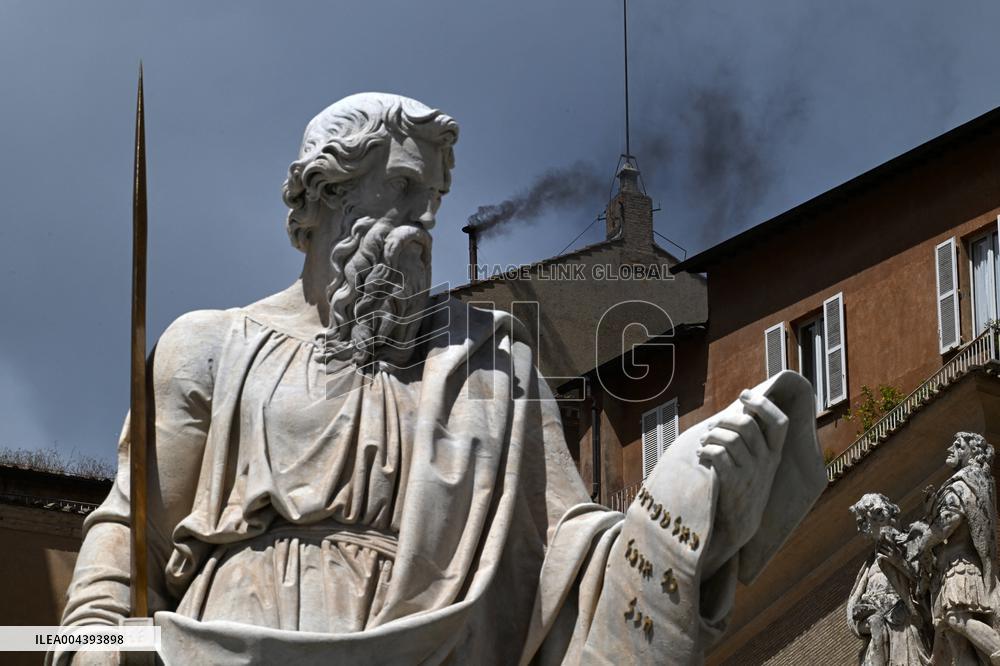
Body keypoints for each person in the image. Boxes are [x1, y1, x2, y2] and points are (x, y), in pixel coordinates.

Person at [52, 93, 825, 665]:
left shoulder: (492, 362)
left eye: (435, 199)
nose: (423, 221)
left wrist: (680, 511)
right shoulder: (210, 347)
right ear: (324, 195)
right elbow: (129, 534)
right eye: (403, 191)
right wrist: (88, 645)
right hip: (239, 637)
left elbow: (566, 553)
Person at [911, 432, 1000, 665]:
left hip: (959, 564)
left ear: (972, 452)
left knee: (956, 618)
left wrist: (923, 542)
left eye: (958, 445)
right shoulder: (975, 483)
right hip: (946, 568)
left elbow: (945, 525)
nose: (951, 448)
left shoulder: (963, 485)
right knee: (952, 634)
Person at [848, 493, 930, 665]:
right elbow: (853, 609)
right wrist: (867, 621)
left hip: (904, 626)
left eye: (864, 522)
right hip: (878, 633)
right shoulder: (869, 565)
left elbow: (926, 580)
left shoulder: (908, 542)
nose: (861, 528)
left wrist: (898, 561)